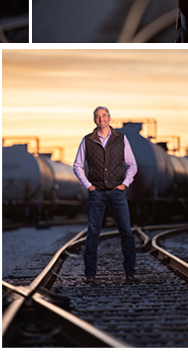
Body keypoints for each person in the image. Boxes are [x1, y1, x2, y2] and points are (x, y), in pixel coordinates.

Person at [72, 106, 138, 282]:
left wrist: (125, 184)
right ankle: (90, 275)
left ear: (109, 118)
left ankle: (130, 273)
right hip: (97, 192)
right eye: (97, 116)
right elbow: (77, 165)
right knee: (93, 232)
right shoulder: (87, 140)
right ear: (95, 120)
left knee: (126, 232)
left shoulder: (121, 139)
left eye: (104, 116)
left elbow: (132, 165)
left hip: (117, 192)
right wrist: (88, 185)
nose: (101, 119)